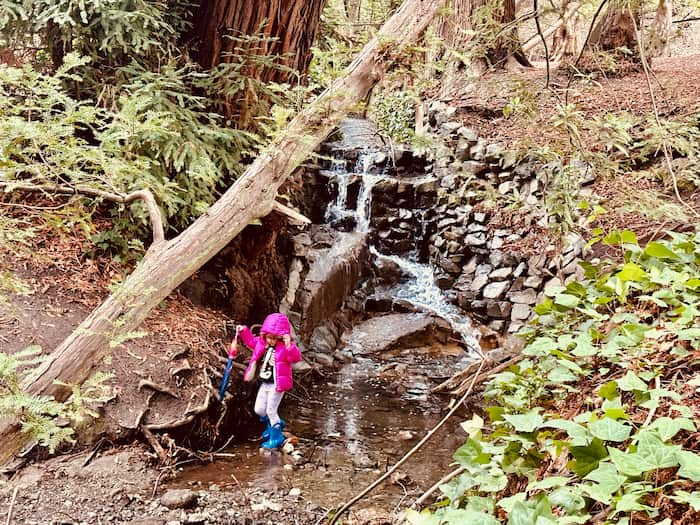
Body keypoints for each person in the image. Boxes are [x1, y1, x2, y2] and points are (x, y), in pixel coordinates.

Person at [236, 313, 302, 450]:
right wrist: (244, 331)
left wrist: (289, 345)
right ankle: (274, 425)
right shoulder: (262, 344)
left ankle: (276, 437)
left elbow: (295, 358)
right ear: (265, 334)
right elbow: (251, 342)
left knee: (271, 410)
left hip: (278, 385)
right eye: (269, 337)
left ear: (281, 337)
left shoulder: (284, 348)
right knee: (259, 409)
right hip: (265, 382)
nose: (271, 340)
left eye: (274, 338)